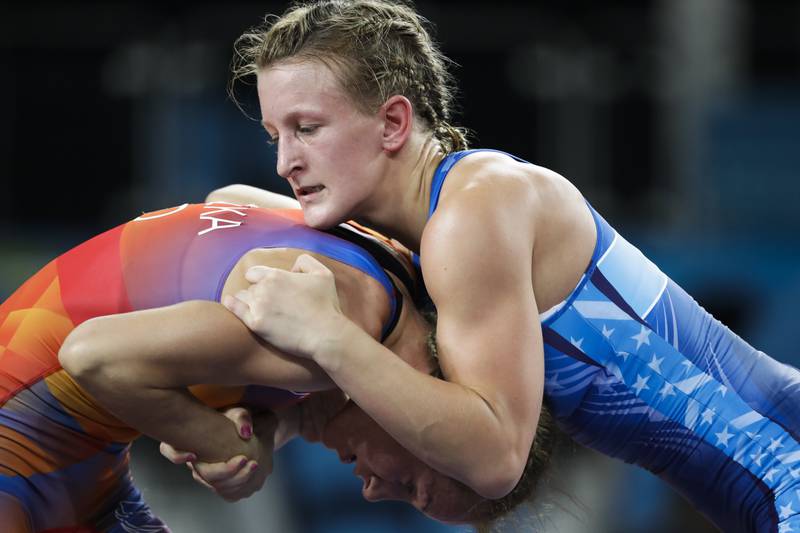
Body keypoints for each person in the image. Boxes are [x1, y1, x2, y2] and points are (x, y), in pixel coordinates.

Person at [215, 1, 800, 531]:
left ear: (393, 123)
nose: (287, 162)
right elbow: (229, 205)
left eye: (307, 129)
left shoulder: (475, 212)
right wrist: (272, 425)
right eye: (274, 137)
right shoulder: (418, 228)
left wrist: (328, 338)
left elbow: (495, 458)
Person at [1, 200, 550, 531]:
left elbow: (228, 199)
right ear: (430, 422)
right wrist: (221, 442)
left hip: (78, 468)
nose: (372, 491)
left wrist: (263, 420)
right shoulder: (314, 331)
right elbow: (91, 354)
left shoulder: (397, 266)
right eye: (408, 484)